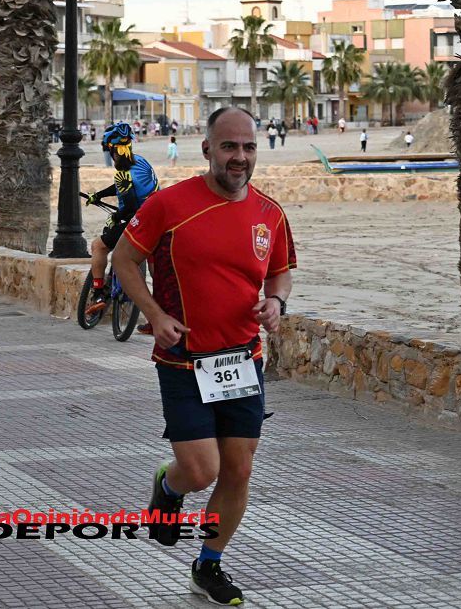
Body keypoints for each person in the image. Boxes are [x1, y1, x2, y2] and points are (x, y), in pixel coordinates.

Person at [113, 106, 296, 607]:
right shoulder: (169, 206)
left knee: (239, 470)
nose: (240, 157)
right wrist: (152, 311)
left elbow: (280, 272)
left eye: (249, 147)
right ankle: (168, 490)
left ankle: (208, 566)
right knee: (201, 471)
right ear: (208, 149)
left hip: (242, 360)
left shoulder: (270, 213)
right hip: (182, 359)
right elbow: (123, 260)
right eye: (230, 147)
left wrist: (276, 302)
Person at [84, 122, 159, 311]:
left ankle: (98, 294)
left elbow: (131, 207)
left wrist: (116, 217)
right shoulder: (141, 161)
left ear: (112, 149)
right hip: (157, 220)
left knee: (98, 246)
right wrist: (99, 195)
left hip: (138, 221)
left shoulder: (123, 174)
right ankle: (160, 304)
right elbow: (121, 187)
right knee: (154, 262)